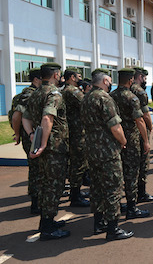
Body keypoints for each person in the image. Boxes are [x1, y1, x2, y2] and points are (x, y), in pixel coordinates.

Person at [81, 68, 134, 240]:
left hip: (92, 150)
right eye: (109, 81)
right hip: (107, 151)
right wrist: (123, 141)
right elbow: (115, 126)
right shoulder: (104, 98)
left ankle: (99, 224)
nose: (110, 84)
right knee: (113, 187)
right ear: (105, 81)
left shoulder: (86, 97)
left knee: (96, 187)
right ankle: (113, 228)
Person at [22, 62, 70, 241]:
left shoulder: (35, 94)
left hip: (43, 146)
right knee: (53, 185)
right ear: (56, 75)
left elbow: (25, 118)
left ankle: (46, 222)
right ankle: (48, 227)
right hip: (53, 148)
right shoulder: (53, 94)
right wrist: (43, 144)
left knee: (45, 183)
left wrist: (31, 134)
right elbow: (47, 117)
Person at [110, 68, 151, 220]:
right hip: (132, 139)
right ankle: (132, 207)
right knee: (132, 172)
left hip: (116, 138)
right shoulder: (132, 98)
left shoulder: (110, 96)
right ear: (130, 80)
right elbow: (139, 120)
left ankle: (119, 203)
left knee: (119, 171)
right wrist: (146, 140)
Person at [10, 68, 42, 214]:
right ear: (36, 79)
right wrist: (17, 134)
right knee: (36, 170)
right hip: (32, 137)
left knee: (39, 169)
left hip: (33, 135)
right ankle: (36, 204)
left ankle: (39, 201)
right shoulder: (29, 94)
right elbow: (17, 116)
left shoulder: (27, 94)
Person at [61, 69, 90, 207]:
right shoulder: (73, 91)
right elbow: (87, 104)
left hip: (73, 131)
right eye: (78, 76)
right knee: (78, 164)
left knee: (77, 164)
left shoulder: (66, 90)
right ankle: (75, 196)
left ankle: (76, 192)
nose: (80, 78)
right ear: (72, 77)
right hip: (77, 133)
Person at [130, 67, 153, 203]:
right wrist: (150, 128)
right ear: (140, 77)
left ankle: (132, 192)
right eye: (145, 78)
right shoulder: (140, 91)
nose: (145, 81)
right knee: (142, 163)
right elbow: (145, 114)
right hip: (139, 131)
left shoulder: (125, 90)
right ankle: (141, 193)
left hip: (126, 132)